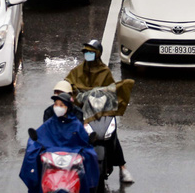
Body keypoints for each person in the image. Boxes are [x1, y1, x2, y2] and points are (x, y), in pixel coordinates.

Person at [64, 40, 133, 183]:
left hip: (100, 111)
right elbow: (67, 83)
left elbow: (111, 91)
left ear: (97, 54)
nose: (88, 55)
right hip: (81, 110)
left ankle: (122, 168)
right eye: (86, 52)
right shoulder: (77, 71)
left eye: (91, 52)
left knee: (112, 135)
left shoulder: (105, 72)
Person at [20, 91, 100, 193]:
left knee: (91, 157)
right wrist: (36, 144)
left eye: (61, 105)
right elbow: (39, 137)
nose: (58, 107)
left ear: (67, 107)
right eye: (56, 104)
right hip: (51, 163)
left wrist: (88, 144)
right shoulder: (50, 123)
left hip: (73, 164)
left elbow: (84, 141)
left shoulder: (76, 124)